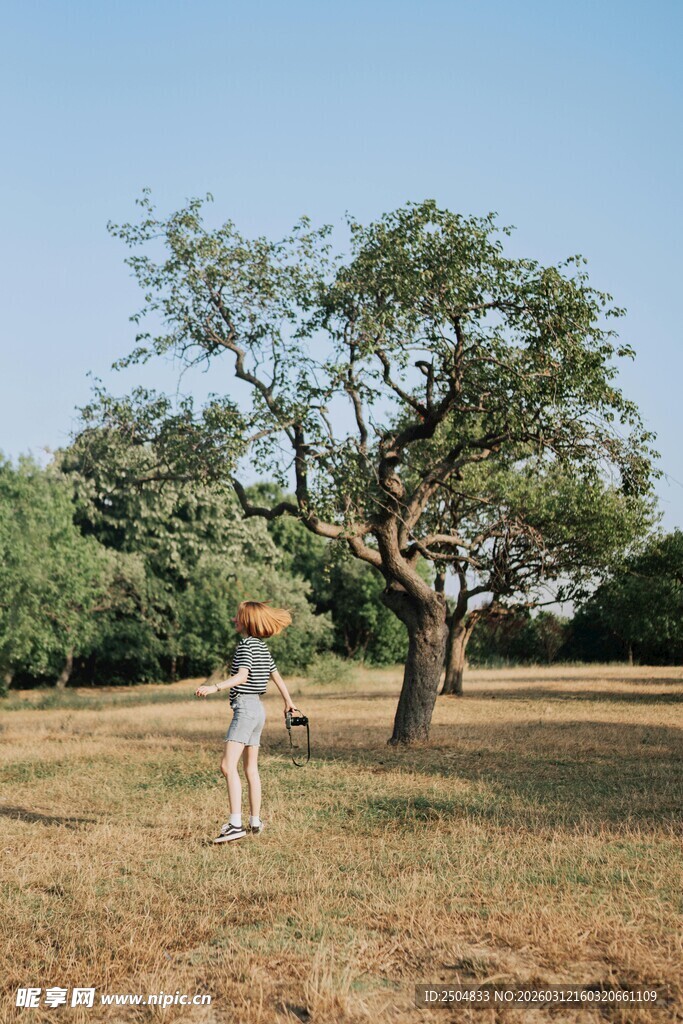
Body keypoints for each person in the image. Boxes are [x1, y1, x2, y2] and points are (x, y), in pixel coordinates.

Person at [195, 600, 300, 844]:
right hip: (258, 710)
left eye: (238, 617)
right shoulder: (261, 647)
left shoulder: (245, 646)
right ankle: (254, 821)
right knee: (250, 769)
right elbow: (277, 677)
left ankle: (234, 825)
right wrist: (288, 702)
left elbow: (242, 676)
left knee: (227, 766)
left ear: (247, 622)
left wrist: (214, 687)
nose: (234, 620)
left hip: (245, 709)